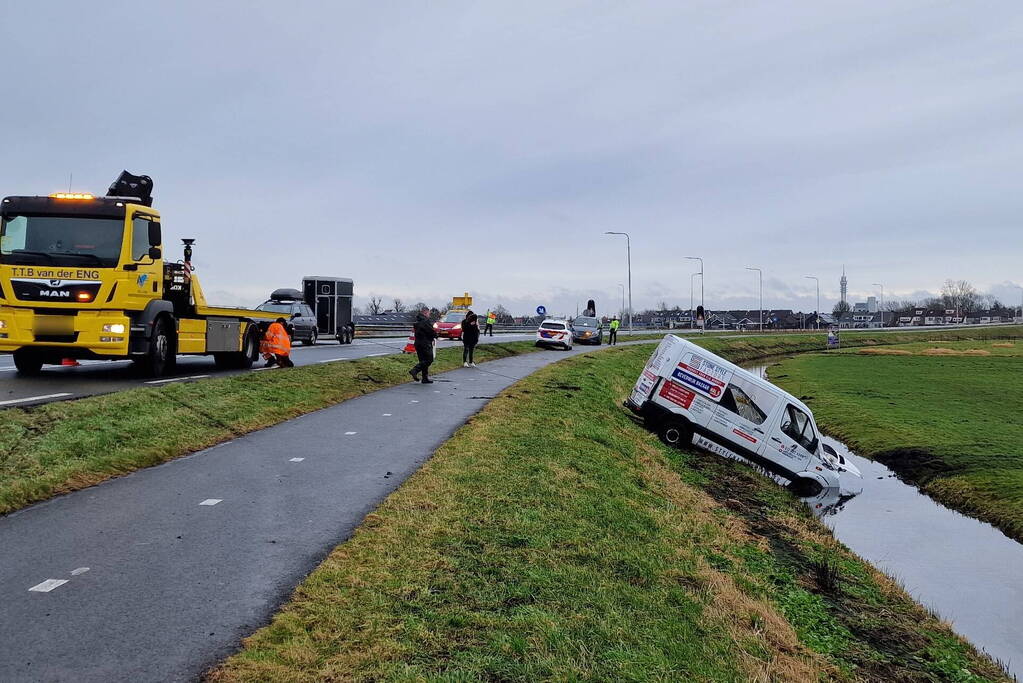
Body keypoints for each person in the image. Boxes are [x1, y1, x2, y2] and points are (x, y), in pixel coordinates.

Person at [409, 307, 438, 384]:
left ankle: (425, 378)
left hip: (418, 343)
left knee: (423, 361)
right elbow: (430, 331)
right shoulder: (425, 321)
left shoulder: (417, 321)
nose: (429, 315)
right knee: (429, 359)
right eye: (429, 313)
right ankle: (415, 370)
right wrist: (436, 335)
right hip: (425, 343)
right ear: (425, 313)